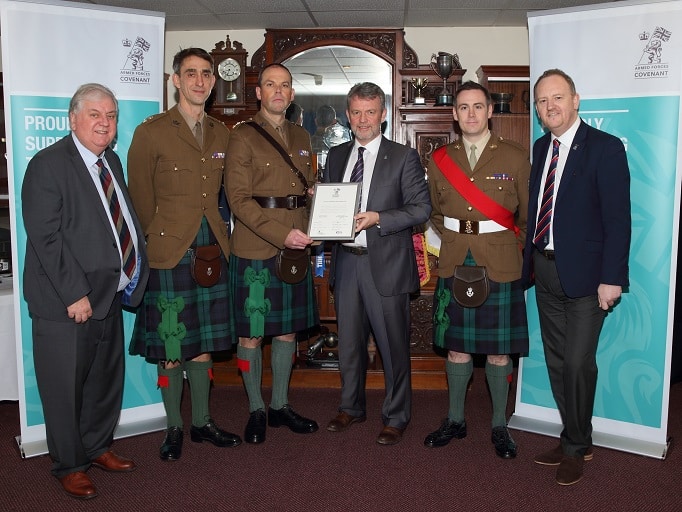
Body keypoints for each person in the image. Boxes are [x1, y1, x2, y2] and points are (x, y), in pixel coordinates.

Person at [22, 83, 150, 499]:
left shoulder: (109, 160)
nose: (104, 122)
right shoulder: (48, 164)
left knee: (102, 382)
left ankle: (96, 447)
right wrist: (74, 293)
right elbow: (46, 237)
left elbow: (116, 223)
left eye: (110, 115)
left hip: (107, 294)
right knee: (64, 389)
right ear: (73, 118)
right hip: (67, 302)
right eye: (95, 114)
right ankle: (69, 464)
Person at [127, 47, 241, 462]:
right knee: (171, 344)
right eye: (190, 73)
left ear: (213, 82)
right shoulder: (152, 131)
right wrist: (151, 242)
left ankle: (202, 422)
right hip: (169, 252)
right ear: (175, 80)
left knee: (204, 342)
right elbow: (139, 197)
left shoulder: (222, 132)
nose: (199, 81)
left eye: (206, 74)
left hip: (213, 249)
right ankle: (174, 425)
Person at [522, 69, 630, 485]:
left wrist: (612, 278)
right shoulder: (540, 148)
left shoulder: (604, 149)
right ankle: (575, 437)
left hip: (589, 279)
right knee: (554, 362)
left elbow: (618, 219)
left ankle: (575, 445)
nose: (550, 107)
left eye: (557, 98)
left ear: (576, 100)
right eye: (542, 101)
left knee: (576, 363)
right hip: (546, 272)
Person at [424, 81, 530, 459]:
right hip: (456, 260)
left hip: (500, 262)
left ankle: (500, 425)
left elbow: (527, 216)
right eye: (463, 107)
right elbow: (436, 212)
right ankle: (455, 419)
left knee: (500, 352)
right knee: (456, 348)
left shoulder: (515, 157)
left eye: (478, 107)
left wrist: (510, 247)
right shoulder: (439, 160)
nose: (470, 114)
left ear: (489, 111)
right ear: (454, 114)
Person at [324, 82, 431, 445]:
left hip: (385, 265)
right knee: (349, 345)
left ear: (383, 115)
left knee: (393, 346)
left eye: (370, 112)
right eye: (356, 112)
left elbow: (421, 209)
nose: (363, 119)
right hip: (347, 264)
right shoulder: (336, 157)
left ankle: (397, 415)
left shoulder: (403, 156)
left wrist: (378, 218)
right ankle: (350, 407)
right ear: (348, 115)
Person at [226, 63, 319, 444]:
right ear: (259, 93)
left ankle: (279, 405)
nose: (278, 91)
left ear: (292, 94)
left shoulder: (302, 135)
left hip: (296, 247)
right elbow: (239, 201)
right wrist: (284, 235)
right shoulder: (242, 137)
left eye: (285, 85)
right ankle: (255, 408)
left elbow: (307, 187)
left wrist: (319, 204)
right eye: (270, 85)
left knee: (287, 331)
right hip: (257, 248)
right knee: (251, 335)